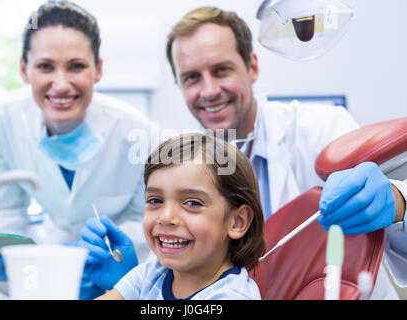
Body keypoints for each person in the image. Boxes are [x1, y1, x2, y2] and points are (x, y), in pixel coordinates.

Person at [164, 6, 407, 298]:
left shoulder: (323, 130)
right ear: (180, 85)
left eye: (221, 70)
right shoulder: (183, 169)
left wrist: (398, 204)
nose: (209, 90)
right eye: (192, 77)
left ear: (252, 66)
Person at [0, 1, 152, 299]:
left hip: (119, 276)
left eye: (76, 66)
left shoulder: (137, 132)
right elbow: (5, 211)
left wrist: (109, 261)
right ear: (24, 69)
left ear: (98, 69)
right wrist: (14, 261)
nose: (60, 85)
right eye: (45, 66)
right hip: (48, 267)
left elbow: (147, 217)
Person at [78, 133, 266, 299]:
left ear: (237, 221)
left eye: (192, 203)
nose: (166, 217)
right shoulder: (153, 273)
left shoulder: (231, 296)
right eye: (155, 200)